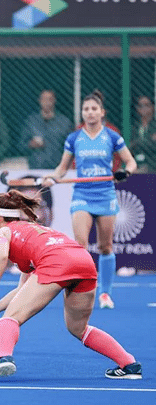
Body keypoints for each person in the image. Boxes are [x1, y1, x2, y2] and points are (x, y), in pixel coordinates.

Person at [0, 190, 141, 382]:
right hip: (83, 261)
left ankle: (2, 357)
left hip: (56, 262)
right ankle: (129, 364)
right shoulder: (32, 231)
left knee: (10, 319)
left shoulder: (3, 232)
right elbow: (21, 292)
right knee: (78, 328)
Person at [43, 90, 137, 309]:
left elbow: (130, 162)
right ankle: (81, 290)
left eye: (94, 109)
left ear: (101, 112)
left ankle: (105, 294)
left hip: (105, 195)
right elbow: (62, 168)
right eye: (86, 109)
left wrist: (126, 172)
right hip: (82, 196)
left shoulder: (112, 136)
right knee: (80, 245)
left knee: (105, 247)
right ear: (82, 113)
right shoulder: (74, 138)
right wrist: (53, 178)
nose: (90, 113)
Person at [19, 90, 72, 169]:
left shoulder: (64, 122)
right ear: (39, 101)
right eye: (44, 99)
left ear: (54, 101)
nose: (47, 102)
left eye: (50, 99)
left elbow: (72, 146)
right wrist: (31, 144)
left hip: (57, 168)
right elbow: (21, 145)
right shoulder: (31, 121)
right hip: (36, 167)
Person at [130, 95, 156, 173]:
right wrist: (150, 140)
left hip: (152, 165)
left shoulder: (154, 125)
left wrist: (138, 143)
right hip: (137, 163)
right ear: (137, 109)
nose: (144, 108)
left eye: (147, 105)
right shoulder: (135, 127)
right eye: (140, 105)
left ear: (152, 107)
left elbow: (152, 148)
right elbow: (131, 146)